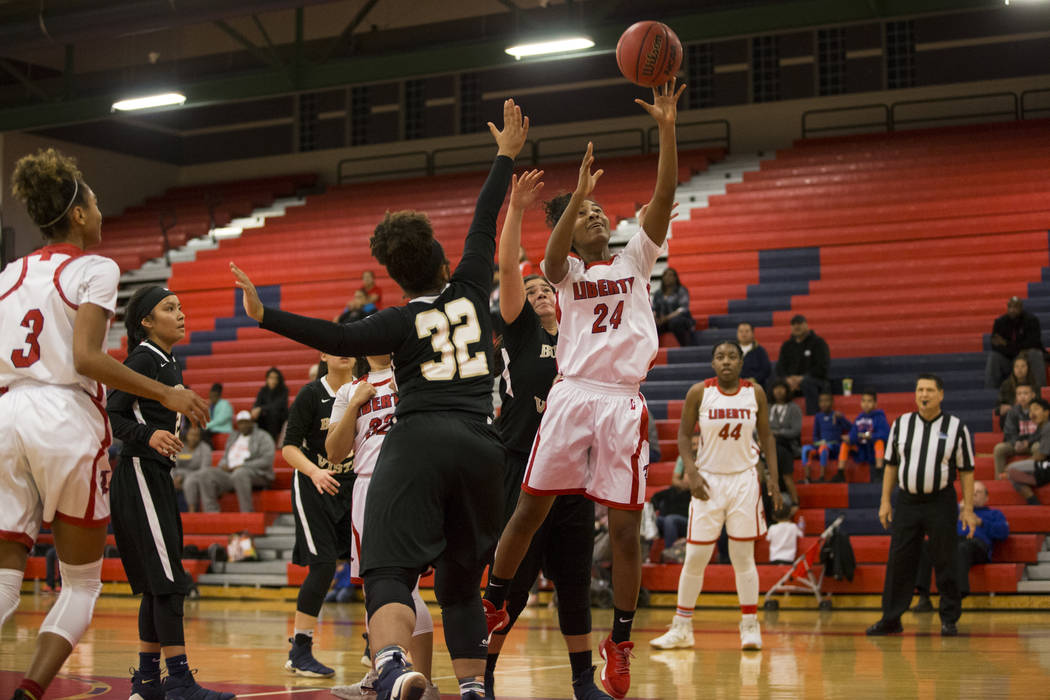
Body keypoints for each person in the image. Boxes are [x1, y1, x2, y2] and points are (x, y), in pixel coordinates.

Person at [231, 98, 529, 700]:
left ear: (393, 275)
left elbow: (336, 337)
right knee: (461, 586)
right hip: (481, 443)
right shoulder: (471, 283)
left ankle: (391, 665)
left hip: (419, 439)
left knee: (388, 569)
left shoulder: (394, 321)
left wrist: (266, 316)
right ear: (443, 259)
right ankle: (474, 689)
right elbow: (484, 216)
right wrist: (503, 156)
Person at [483, 79, 685, 700]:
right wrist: (578, 196)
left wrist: (667, 128)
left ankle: (619, 642)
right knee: (529, 509)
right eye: (588, 216)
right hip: (572, 396)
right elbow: (543, 264)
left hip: (622, 402)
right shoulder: (565, 273)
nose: (599, 217)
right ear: (573, 233)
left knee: (624, 529)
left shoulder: (635, 261)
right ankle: (494, 602)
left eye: (601, 213)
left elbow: (664, 195)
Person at [0, 148, 207, 700]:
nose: (98, 210)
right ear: (76, 214)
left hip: (6, 413)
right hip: (62, 414)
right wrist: (169, 392)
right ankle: (29, 692)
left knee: (4, 578)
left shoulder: (9, 272)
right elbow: (89, 358)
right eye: (92, 202)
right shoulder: (96, 267)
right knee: (82, 585)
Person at [485, 169, 612, 700]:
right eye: (530, 289)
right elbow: (511, 267)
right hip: (522, 469)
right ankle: (483, 676)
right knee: (511, 588)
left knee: (575, 582)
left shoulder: (580, 337)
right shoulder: (517, 331)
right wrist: (515, 210)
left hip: (576, 476)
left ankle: (583, 681)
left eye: (545, 288)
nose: (538, 292)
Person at [106, 285, 234, 700]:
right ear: (146, 320)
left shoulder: (167, 360)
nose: (180, 314)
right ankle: (178, 680)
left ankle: (147, 681)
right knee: (169, 581)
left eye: (180, 307)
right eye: (168, 308)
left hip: (155, 474)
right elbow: (113, 413)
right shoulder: (144, 358)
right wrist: (150, 434)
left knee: (158, 582)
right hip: (140, 471)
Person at [650, 340, 781, 652]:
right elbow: (683, 435)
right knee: (695, 557)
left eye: (732, 356)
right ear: (712, 363)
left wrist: (773, 479)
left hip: (744, 481)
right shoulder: (699, 392)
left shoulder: (755, 392)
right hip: (708, 482)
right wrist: (692, 473)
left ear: (741, 362)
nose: (726, 361)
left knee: (742, 557)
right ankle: (682, 627)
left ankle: (750, 626)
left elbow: (767, 436)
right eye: (720, 357)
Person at [326, 355, 440, 700]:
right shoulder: (350, 390)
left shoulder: (415, 374)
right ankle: (387, 674)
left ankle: (416, 677)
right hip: (366, 485)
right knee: (375, 589)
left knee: (405, 587)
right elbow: (334, 451)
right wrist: (354, 405)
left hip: (409, 481)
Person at [867, 374, 977, 638]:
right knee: (899, 560)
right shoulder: (901, 424)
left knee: (946, 559)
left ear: (941, 394)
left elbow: (967, 471)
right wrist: (885, 501)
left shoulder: (956, 427)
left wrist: (969, 508)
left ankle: (949, 619)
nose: (923, 395)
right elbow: (891, 464)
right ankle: (891, 618)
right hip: (907, 500)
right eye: (919, 390)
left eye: (929, 390)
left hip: (941, 500)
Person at [279, 354, 357, 678]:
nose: (343, 350)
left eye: (349, 344)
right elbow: (289, 448)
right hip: (315, 483)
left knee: (370, 564)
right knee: (323, 565)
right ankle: (300, 649)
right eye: (334, 345)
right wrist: (314, 472)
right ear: (323, 356)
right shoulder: (312, 394)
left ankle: (377, 646)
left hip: (354, 482)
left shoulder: (364, 390)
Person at [913, 480, 1009, 611]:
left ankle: (956, 595)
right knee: (925, 545)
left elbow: (1003, 532)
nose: (974, 494)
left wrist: (981, 522)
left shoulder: (994, 514)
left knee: (961, 548)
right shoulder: (955, 511)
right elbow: (936, 528)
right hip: (953, 541)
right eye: (971, 492)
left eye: (978, 492)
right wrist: (955, 512)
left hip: (977, 545)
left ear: (986, 498)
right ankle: (923, 597)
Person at [184, 411, 274, 512]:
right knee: (205, 474)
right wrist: (223, 465)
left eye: (246, 422)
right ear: (237, 424)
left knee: (240, 473)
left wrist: (243, 465)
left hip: (257, 474)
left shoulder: (263, 436)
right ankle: (211, 514)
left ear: (252, 422)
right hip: (230, 473)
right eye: (241, 422)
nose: (243, 425)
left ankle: (247, 513)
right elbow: (225, 457)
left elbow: (267, 460)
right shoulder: (233, 437)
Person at [774, 314, 830, 414]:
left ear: (806, 325)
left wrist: (802, 378)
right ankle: (774, 418)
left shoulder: (818, 343)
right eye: (793, 324)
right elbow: (780, 367)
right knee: (774, 383)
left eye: (799, 323)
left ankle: (812, 416)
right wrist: (788, 379)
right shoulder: (787, 345)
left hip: (814, 380)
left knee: (807, 383)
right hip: (791, 382)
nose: (796, 326)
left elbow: (822, 367)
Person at [986, 296, 1046, 390]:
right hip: (1009, 360)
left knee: (1036, 354)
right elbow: (995, 346)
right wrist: (1017, 349)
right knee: (994, 357)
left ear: (1021, 308)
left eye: (1015, 307)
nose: (1012, 310)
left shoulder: (1031, 320)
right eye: (1010, 307)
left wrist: (1006, 344)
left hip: (1026, 359)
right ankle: (990, 391)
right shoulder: (1000, 322)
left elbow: (1033, 343)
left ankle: (1040, 391)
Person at [836, 390, 891, 479]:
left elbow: (886, 434)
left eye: (869, 401)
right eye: (864, 401)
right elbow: (854, 433)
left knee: (879, 442)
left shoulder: (880, 417)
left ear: (875, 404)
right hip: (861, 449)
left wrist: (871, 436)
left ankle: (879, 471)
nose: (866, 404)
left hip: (873, 449)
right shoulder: (859, 418)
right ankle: (840, 473)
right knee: (845, 444)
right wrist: (850, 438)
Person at [1006, 397, 1050, 505]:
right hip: (1044, 464)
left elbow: (1042, 455)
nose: (1032, 413)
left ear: (1046, 412)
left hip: (1047, 464)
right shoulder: (1040, 427)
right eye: (1030, 410)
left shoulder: (1048, 427)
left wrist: (1016, 464)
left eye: (1036, 409)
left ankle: (1034, 497)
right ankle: (1033, 501)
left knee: (1012, 469)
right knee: (1013, 475)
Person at [801, 392, 850, 482]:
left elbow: (850, 427)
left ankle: (822, 477)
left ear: (832, 402)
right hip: (820, 445)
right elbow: (815, 435)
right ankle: (807, 478)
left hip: (833, 447)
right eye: (821, 401)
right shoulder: (818, 417)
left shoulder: (837, 415)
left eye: (826, 401)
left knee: (823, 448)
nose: (824, 403)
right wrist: (817, 442)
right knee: (805, 448)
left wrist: (842, 418)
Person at [993, 383, 1038, 478]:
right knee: (999, 448)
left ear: (1033, 395)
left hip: (1034, 443)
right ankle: (999, 479)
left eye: (1025, 393)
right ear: (1016, 396)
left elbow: (1043, 432)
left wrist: (1028, 442)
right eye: (1019, 394)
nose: (1022, 397)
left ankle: (1036, 476)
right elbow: (1009, 432)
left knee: (1038, 447)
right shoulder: (1012, 412)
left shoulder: (1039, 410)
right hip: (1016, 444)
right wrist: (1016, 443)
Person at [768, 380, 802, 487]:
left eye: (781, 388)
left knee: (776, 448)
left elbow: (796, 431)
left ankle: (781, 486)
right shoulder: (767, 407)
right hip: (767, 443)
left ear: (787, 391)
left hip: (788, 444)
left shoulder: (794, 408)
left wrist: (778, 433)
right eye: (776, 388)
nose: (778, 391)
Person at [651, 267, 695, 347]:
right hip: (663, 322)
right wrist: (655, 318)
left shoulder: (681, 290)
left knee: (676, 322)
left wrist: (667, 318)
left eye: (670, 275)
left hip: (680, 320)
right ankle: (653, 349)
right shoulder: (658, 293)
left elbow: (683, 309)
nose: (668, 277)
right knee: (651, 324)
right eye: (665, 275)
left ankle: (686, 345)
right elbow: (654, 308)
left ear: (675, 278)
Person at [997, 355, 1038, 428]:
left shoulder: (1034, 383)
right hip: (1013, 414)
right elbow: (998, 408)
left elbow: (1039, 403)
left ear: (1028, 368)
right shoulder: (1006, 385)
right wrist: (1006, 407)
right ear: (1013, 369)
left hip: (1030, 413)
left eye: (1023, 366)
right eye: (1017, 366)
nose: (1020, 369)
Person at [252, 367, 289, 442]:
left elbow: (278, 406)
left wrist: (261, 409)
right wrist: (255, 410)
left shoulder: (283, 390)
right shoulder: (263, 390)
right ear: (267, 379)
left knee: (273, 414)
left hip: (279, 418)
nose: (273, 380)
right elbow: (257, 404)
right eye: (271, 378)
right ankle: (256, 442)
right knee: (255, 416)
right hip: (265, 417)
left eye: (275, 378)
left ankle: (272, 441)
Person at [173, 425, 212, 495]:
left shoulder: (205, 448)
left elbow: (204, 470)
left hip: (196, 479)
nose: (193, 438)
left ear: (200, 437)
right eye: (191, 434)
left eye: (196, 435)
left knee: (189, 482)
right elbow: (173, 466)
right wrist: (174, 478)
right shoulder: (180, 446)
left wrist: (183, 476)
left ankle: (192, 506)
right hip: (177, 478)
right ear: (187, 435)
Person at [737, 322, 771, 388]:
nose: (744, 334)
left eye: (747, 331)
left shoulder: (760, 350)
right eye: (741, 331)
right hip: (735, 386)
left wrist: (754, 379)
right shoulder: (732, 350)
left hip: (756, 386)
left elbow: (766, 370)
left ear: (752, 333)